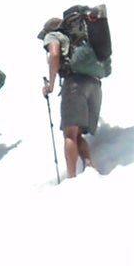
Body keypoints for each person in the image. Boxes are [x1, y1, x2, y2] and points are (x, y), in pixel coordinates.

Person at [41, 17, 97, 178]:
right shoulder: (79, 39)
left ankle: (72, 178)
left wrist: (51, 85)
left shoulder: (53, 35)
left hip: (74, 85)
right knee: (77, 134)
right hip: (94, 84)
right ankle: (89, 167)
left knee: (69, 134)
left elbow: (54, 54)